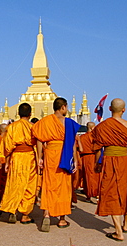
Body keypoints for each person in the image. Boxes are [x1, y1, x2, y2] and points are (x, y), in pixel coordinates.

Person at [92, 98, 127, 241]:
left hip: (108, 160)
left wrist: (97, 163)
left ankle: (119, 231)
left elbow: (97, 147)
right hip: (125, 161)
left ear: (109, 109)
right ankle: (126, 224)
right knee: (125, 191)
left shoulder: (102, 126)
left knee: (111, 192)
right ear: (124, 110)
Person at [32, 97, 80, 232]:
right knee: (64, 187)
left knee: (49, 184)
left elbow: (40, 140)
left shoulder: (45, 121)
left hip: (51, 154)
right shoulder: (69, 123)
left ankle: (46, 214)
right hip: (65, 155)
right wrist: (75, 160)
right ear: (63, 107)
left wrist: (40, 157)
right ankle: (62, 219)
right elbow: (72, 144)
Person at [0, 103, 38, 224]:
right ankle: (25, 215)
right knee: (29, 185)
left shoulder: (12, 127)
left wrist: (6, 161)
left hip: (16, 157)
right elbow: (38, 145)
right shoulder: (33, 127)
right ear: (31, 114)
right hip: (30, 157)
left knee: (15, 183)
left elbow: (7, 147)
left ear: (18, 113)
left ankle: (12, 209)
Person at [80, 122, 99, 202]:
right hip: (92, 157)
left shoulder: (81, 137)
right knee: (93, 176)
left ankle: (88, 195)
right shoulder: (93, 137)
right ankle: (95, 194)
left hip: (83, 158)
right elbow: (97, 148)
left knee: (86, 176)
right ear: (92, 128)